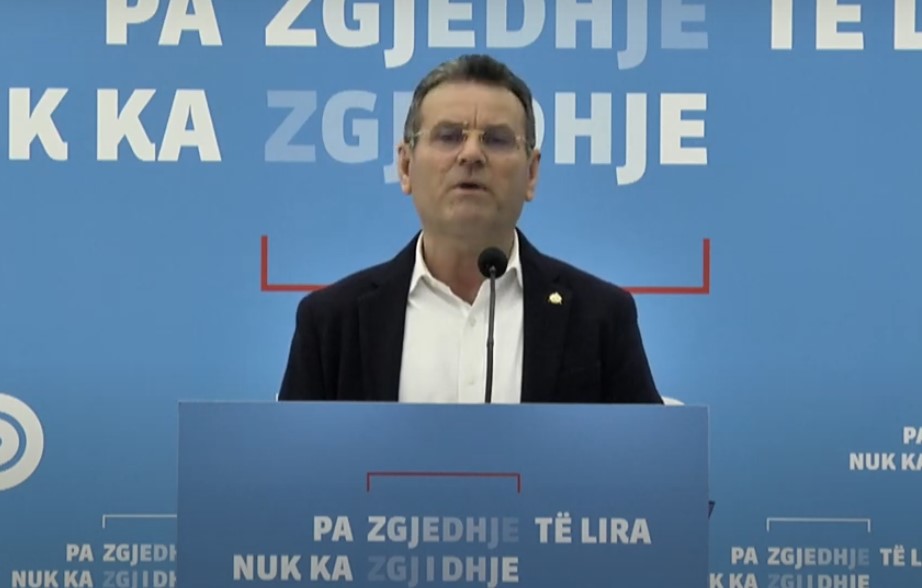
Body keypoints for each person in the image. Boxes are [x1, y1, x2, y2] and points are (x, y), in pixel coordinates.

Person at [278, 54, 662, 405]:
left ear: (531, 173)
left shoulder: (601, 317)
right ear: (406, 167)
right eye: (449, 136)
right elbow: (294, 458)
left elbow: (645, 457)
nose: (472, 154)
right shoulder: (331, 323)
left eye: (497, 139)